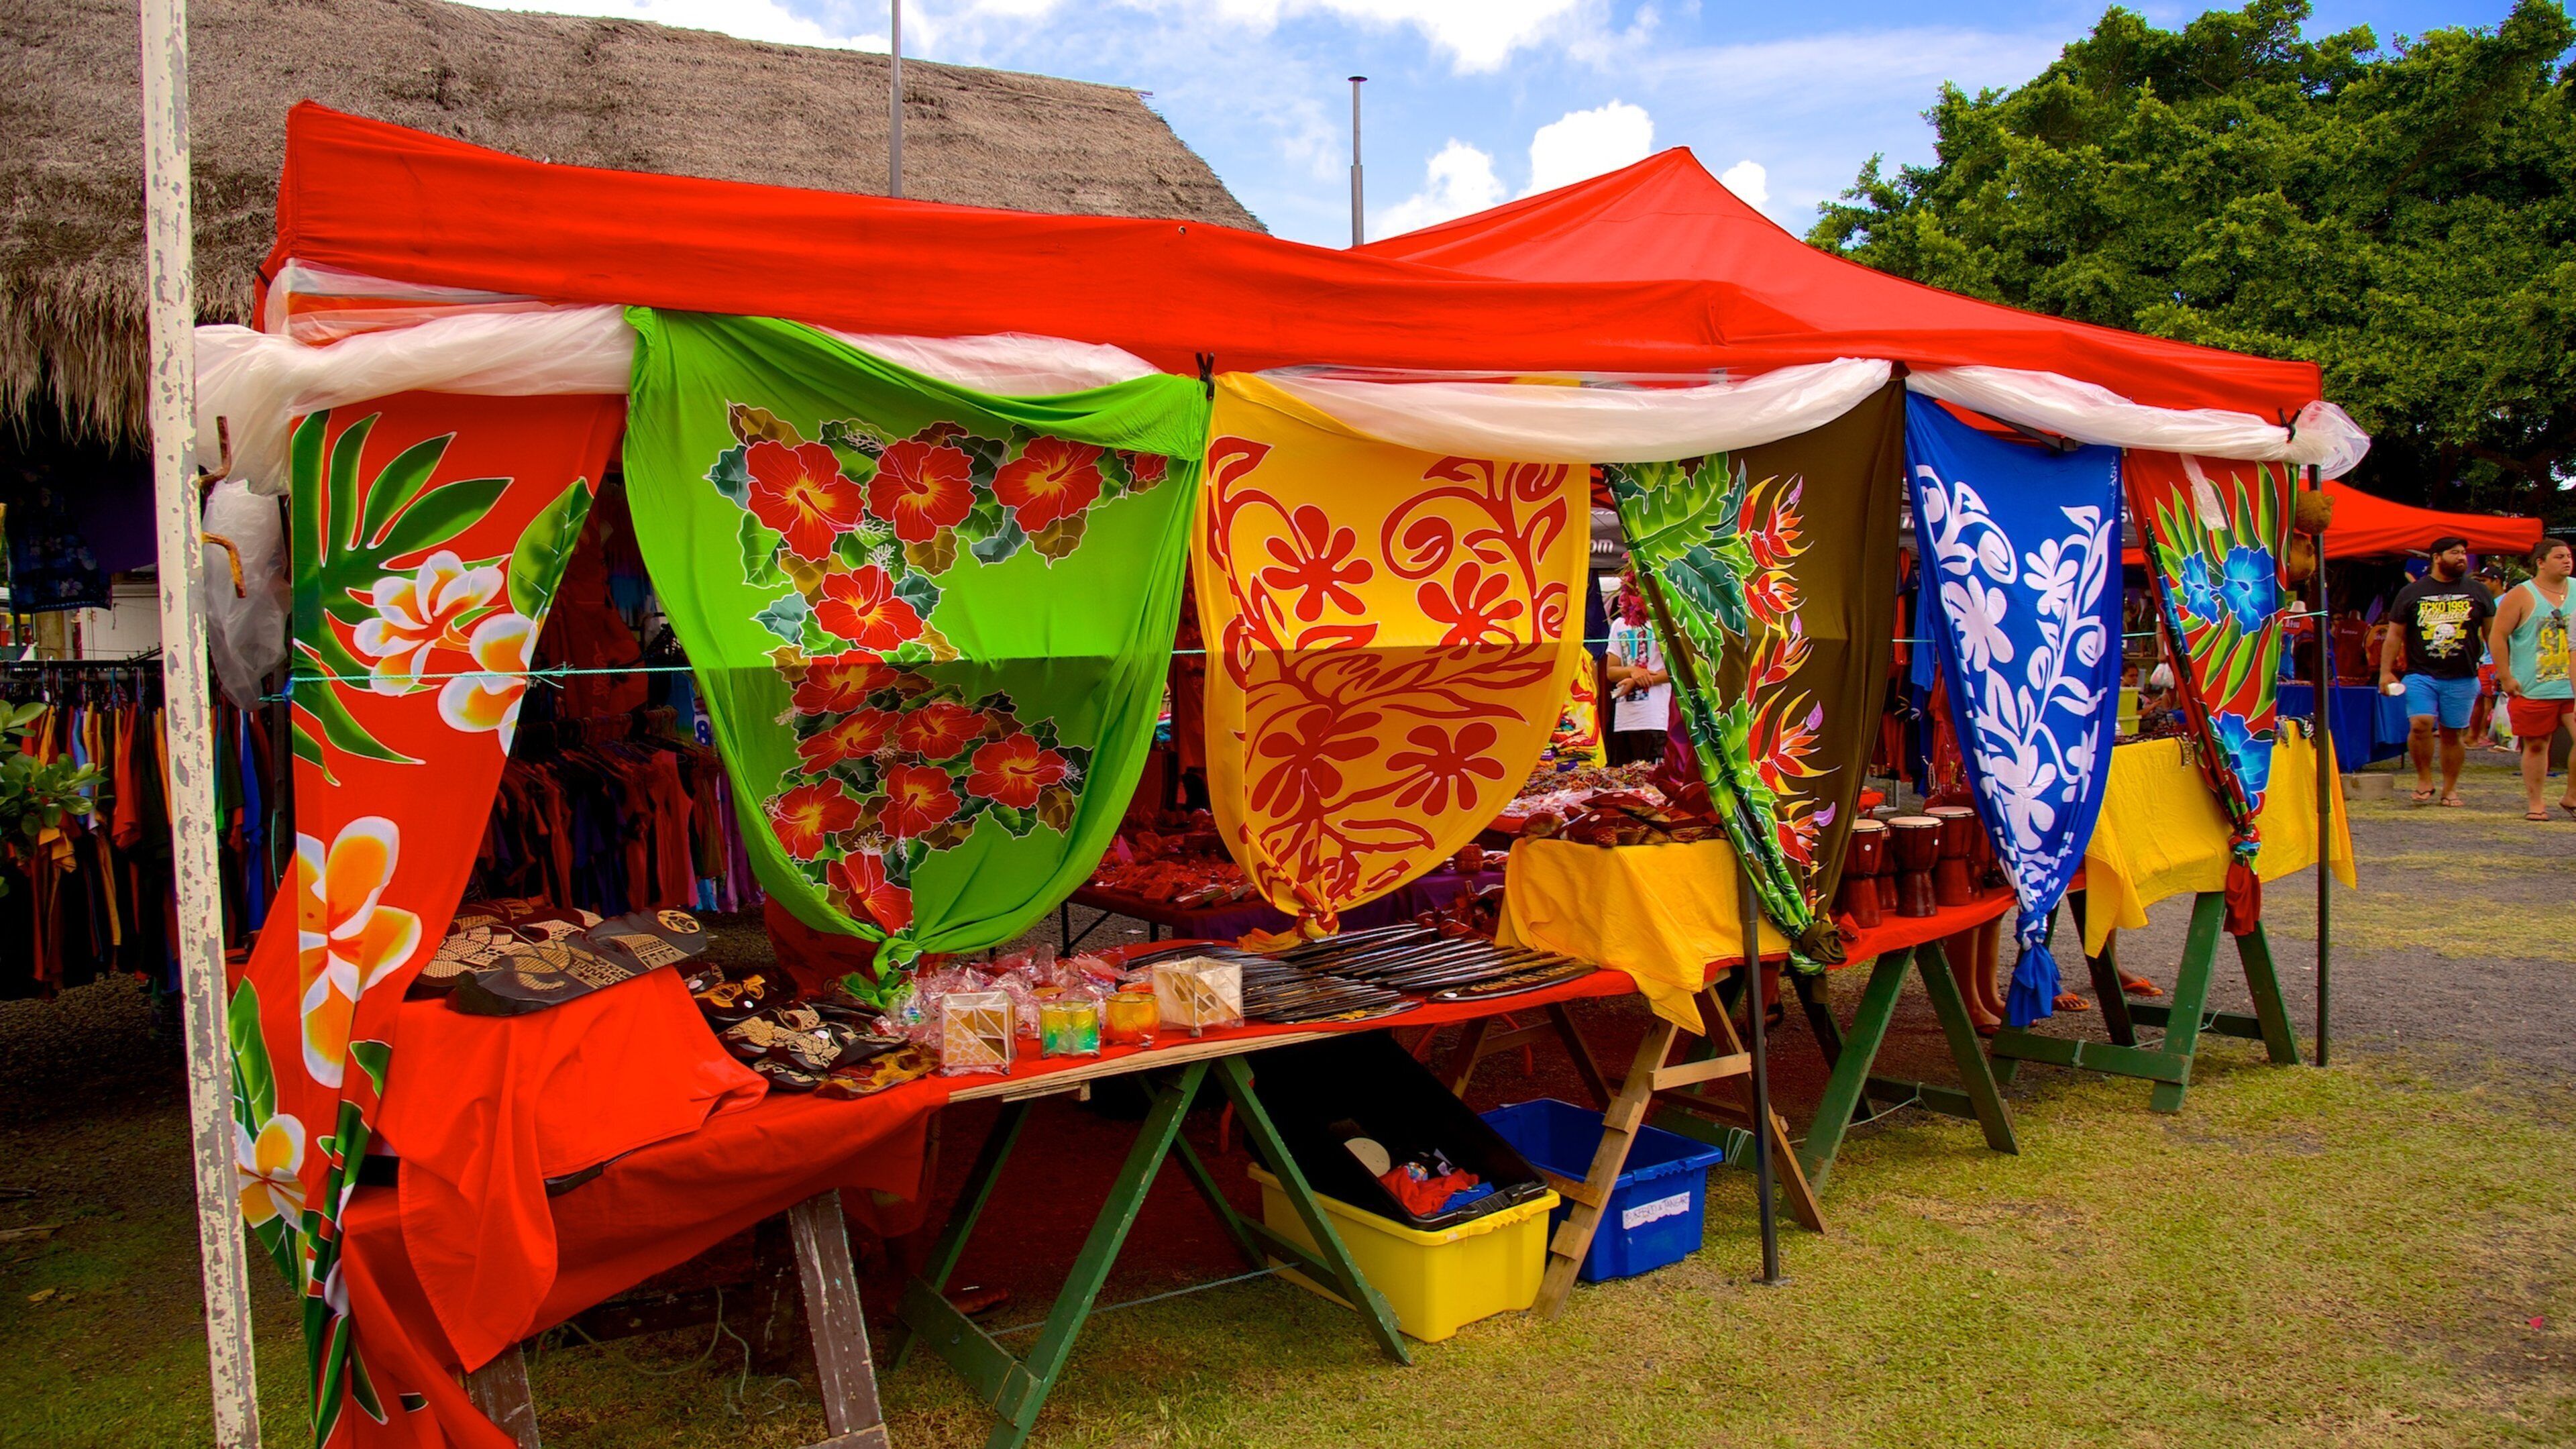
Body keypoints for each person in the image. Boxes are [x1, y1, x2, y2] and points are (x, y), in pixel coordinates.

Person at [2380, 535, 2496, 806]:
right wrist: (2386, 672)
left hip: (2463, 675)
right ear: (2436, 557)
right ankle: (2424, 780)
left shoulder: (2478, 592)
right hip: (2421, 673)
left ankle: (2450, 788)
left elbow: (2493, 635)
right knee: (2420, 725)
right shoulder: (2411, 592)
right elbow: (2394, 634)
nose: (2462, 558)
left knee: (2452, 733)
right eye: (2455, 553)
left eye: (2464, 553)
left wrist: (2502, 668)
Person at [2489, 537, 2575, 821]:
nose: (2567, 560)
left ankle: (2571, 795)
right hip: (2534, 685)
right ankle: (2536, 802)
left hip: (2572, 684)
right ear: (2540, 562)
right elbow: (2498, 636)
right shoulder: (2521, 595)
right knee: (2537, 744)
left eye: (2569, 556)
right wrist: (2506, 675)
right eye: (2559, 556)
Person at [1603, 572, 1670, 765]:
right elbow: (1611, 671)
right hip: (1623, 720)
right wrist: (1633, 671)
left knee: (1651, 785)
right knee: (1623, 783)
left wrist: (1636, 679)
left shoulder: (1666, 624)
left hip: (1655, 718)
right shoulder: (1619, 625)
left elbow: (1676, 671)